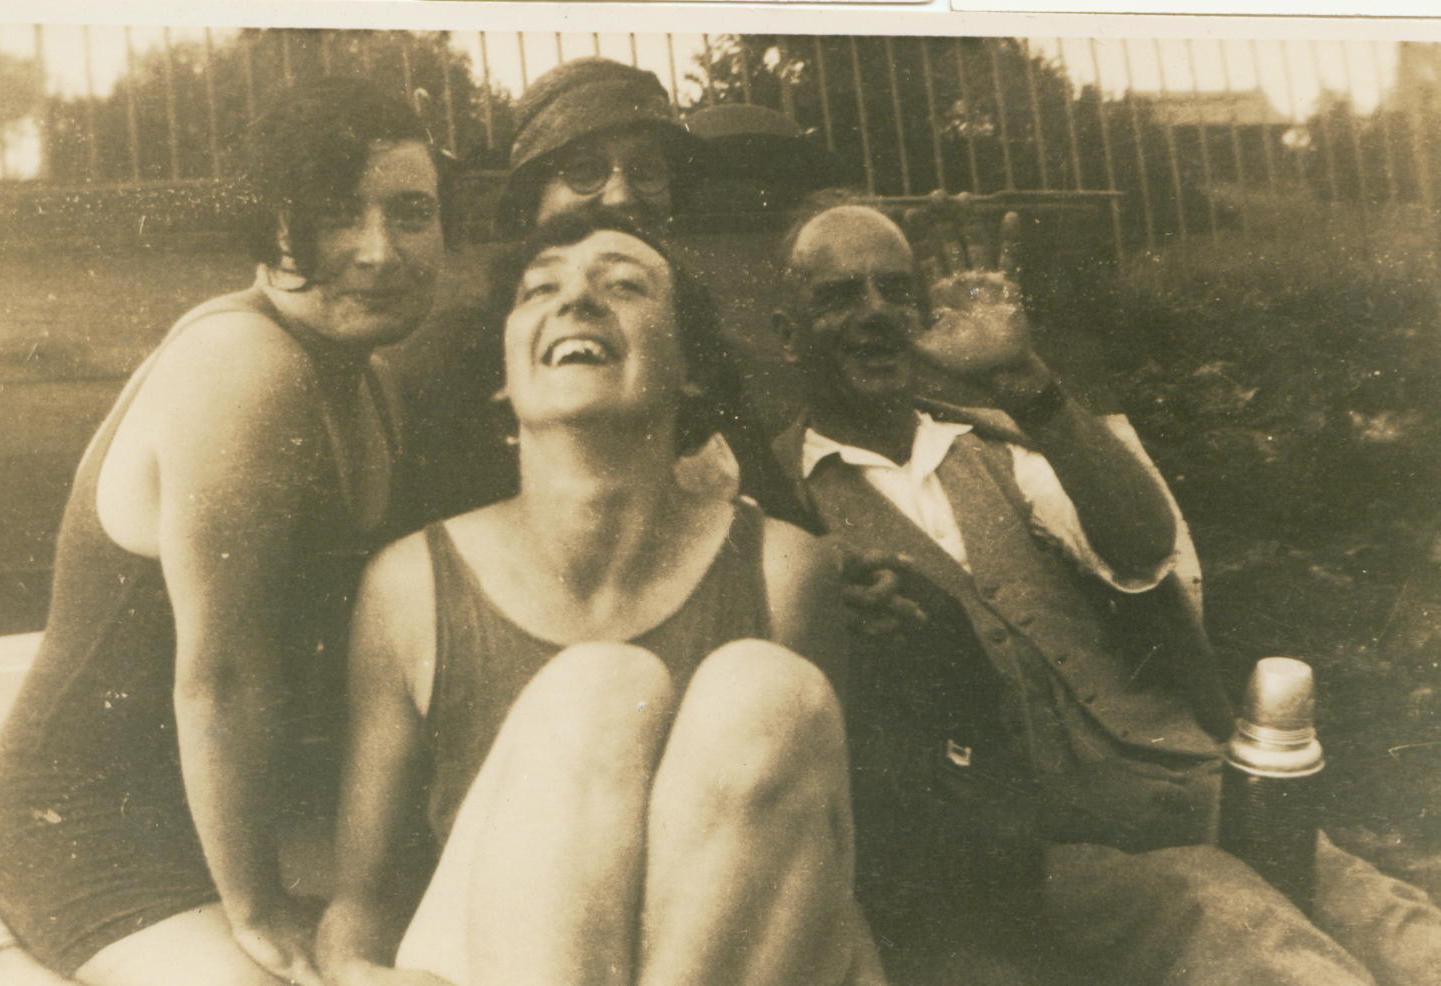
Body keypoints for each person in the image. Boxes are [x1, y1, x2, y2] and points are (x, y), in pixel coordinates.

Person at [770, 194, 1441, 985]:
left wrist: (1022, 381)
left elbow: (1142, 543)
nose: (875, 314)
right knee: (1241, 926)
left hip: (1177, 777)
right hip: (1033, 840)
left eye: (894, 290)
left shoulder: (998, 440)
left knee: (1385, 918)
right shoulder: (781, 504)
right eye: (838, 296)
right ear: (785, 334)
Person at [0, 79, 452, 986]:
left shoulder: (370, 378)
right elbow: (220, 679)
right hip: (92, 828)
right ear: (270, 225)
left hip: (229, 811)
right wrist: (257, 913)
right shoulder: (241, 364)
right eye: (337, 214)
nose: (380, 252)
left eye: (411, 213)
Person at [315, 208, 885, 986]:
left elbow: (806, 859)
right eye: (539, 289)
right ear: (503, 372)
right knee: (599, 687)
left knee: (768, 691)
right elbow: (362, 904)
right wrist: (355, 973)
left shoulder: (781, 570)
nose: (576, 300)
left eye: (624, 286)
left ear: (688, 366)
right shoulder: (410, 585)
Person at [388, 56, 815, 534]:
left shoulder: (696, 349)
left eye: (647, 170)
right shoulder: (458, 359)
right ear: (532, 202)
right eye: (584, 170)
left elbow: (780, 523)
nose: (621, 195)